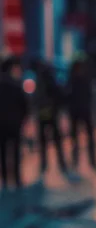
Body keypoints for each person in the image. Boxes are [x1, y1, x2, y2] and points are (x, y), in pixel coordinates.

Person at [34, 62, 69, 176]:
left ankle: (44, 165)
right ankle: (61, 164)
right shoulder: (51, 82)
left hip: (43, 115)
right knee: (56, 141)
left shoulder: (39, 82)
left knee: (44, 142)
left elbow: (35, 100)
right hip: (51, 114)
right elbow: (60, 96)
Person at [0, 58, 28, 190]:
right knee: (15, 152)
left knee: (3, 152)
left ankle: (5, 180)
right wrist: (21, 120)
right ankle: (16, 180)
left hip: (3, 125)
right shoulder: (15, 84)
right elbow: (24, 106)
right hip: (14, 124)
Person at [67, 56, 96, 170]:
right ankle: (80, 160)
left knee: (85, 137)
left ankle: (90, 161)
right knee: (77, 138)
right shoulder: (77, 80)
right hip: (79, 111)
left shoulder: (82, 79)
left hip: (82, 111)